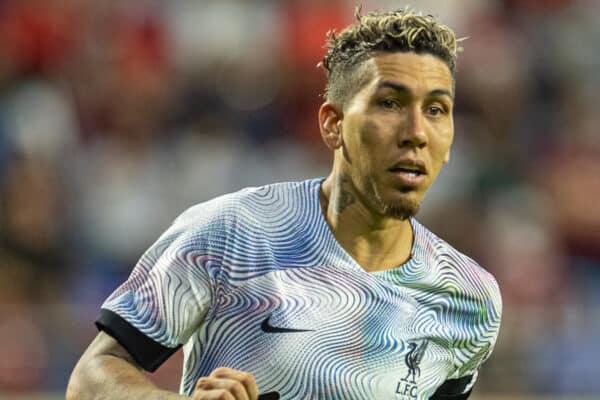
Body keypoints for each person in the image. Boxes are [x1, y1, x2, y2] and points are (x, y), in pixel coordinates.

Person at [67, 8, 501, 400]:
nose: (416, 132)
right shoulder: (233, 231)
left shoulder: (469, 299)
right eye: (390, 103)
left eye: (437, 109)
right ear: (333, 125)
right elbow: (91, 378)